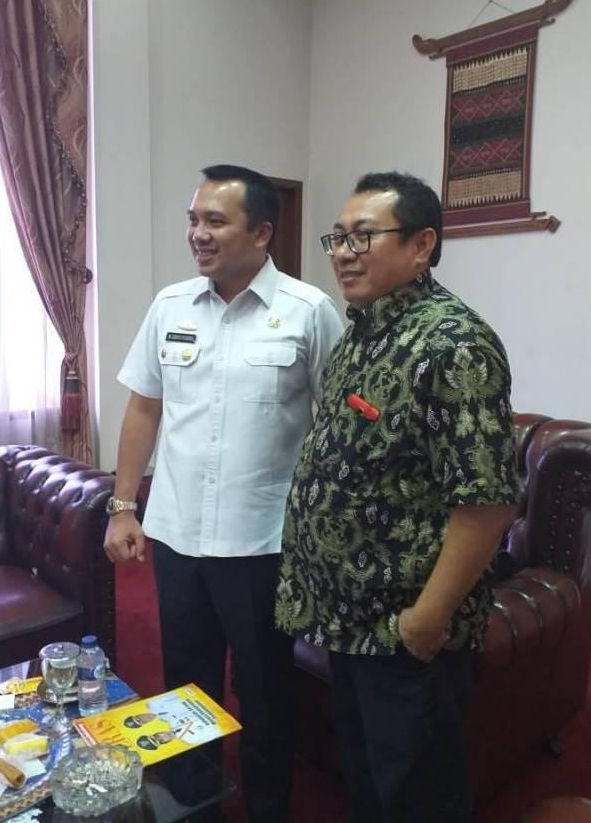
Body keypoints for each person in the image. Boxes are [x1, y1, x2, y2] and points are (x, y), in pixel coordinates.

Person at [275, 171, 520, 823]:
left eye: (363, 236)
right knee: (366, 778)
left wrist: (425, 620)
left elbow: (487, 501)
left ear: (421, 246)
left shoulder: (454, 346)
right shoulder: (362, 333)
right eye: (337, 237)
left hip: (403, 630)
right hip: (347, 620)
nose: (343, 252)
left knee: (416, 793)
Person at [103, 164, 344, 823]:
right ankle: (192, 804)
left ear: (261, 233)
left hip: (263, 541)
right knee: (185, 682)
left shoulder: (308, 312)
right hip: (177, 533)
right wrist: (123, 507)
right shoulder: (170, 306)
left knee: (266, 689)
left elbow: (336, 427)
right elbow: (144, 408)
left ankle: (268, 808)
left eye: (215, 221)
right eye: (193, 219)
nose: (197, 234)